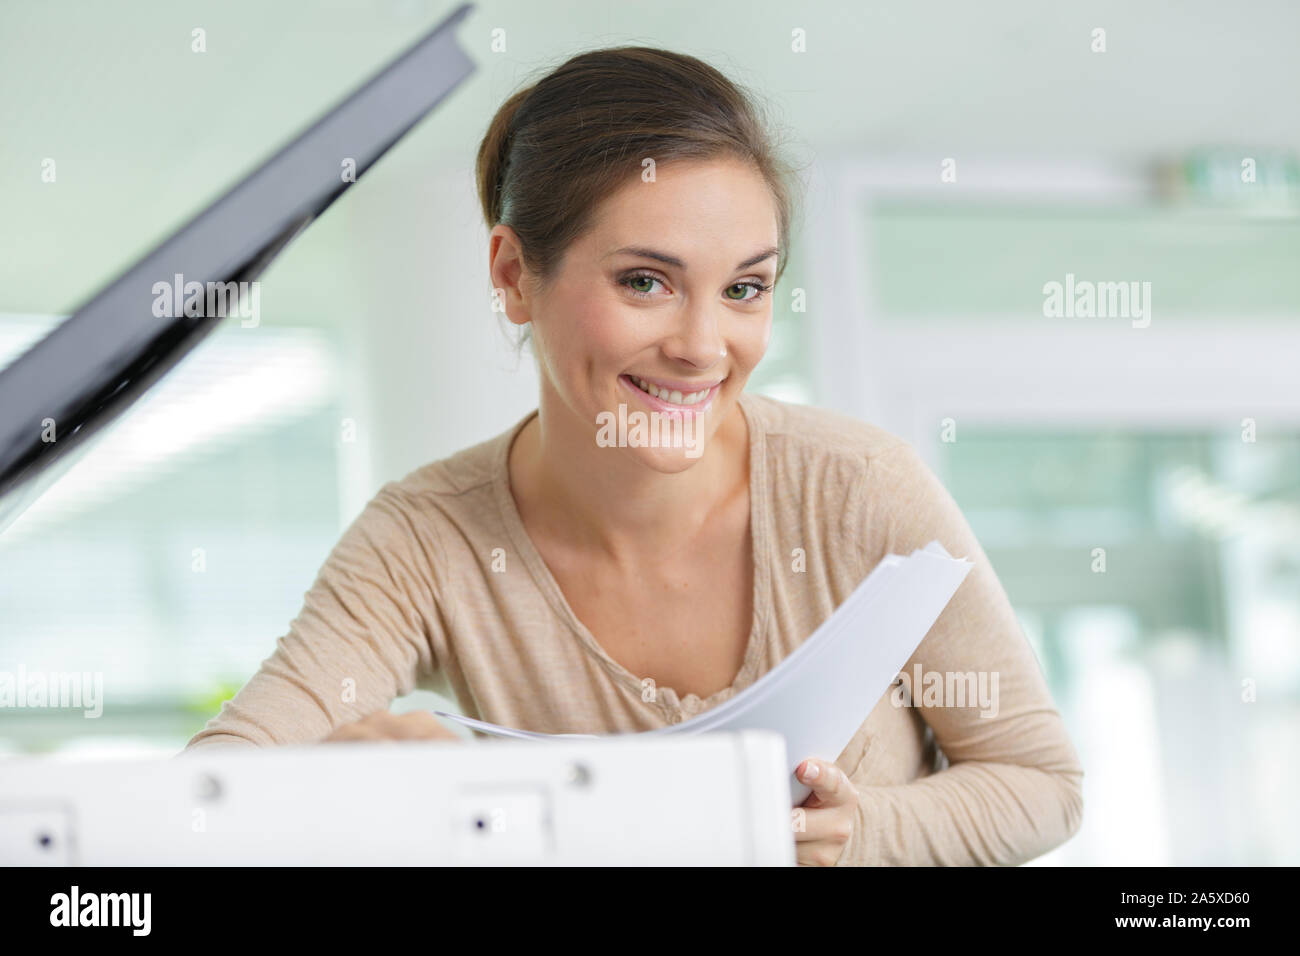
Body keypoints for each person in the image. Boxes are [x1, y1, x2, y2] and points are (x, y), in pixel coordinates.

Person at [185, 46, 1084, 866]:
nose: (703, 346)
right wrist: (336, 785)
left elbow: (1045, 785)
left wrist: (858, 832)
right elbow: (211, 786)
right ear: (512, 274)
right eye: (645, 282)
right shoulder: (428, 538)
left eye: (744, 289)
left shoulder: (857, 491)